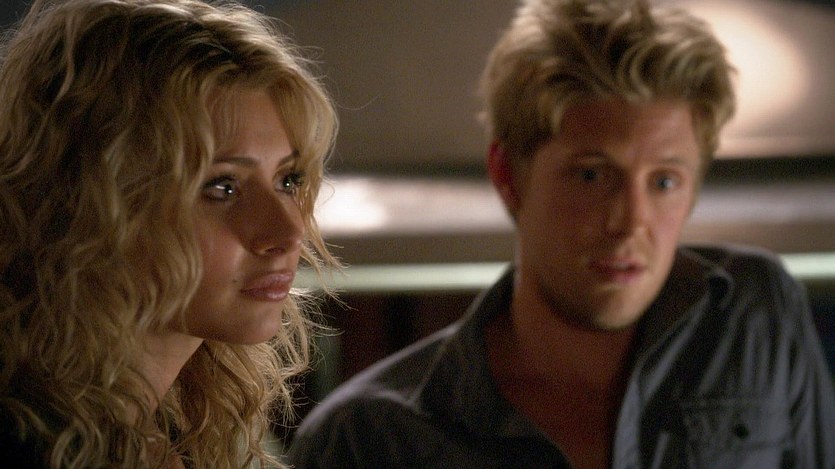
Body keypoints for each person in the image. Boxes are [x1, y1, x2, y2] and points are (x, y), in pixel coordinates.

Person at [287, 0, 835, 467]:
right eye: (592, 175)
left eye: (664, 181)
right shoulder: (368, 438)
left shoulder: (751, 315)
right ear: (508, 175)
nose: (630, 221)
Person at [0, 0, 339, 467]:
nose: (288, 231)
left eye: (288, 180)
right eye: (222, 187)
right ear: (91, 202)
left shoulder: (176, 428)